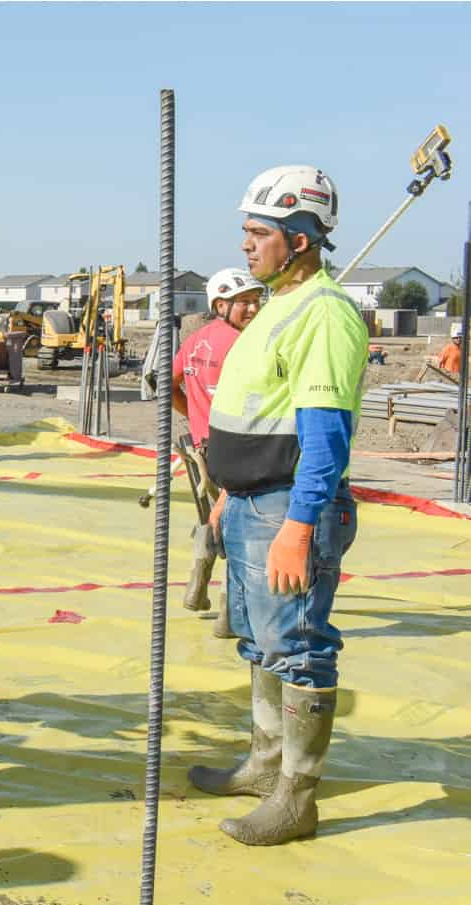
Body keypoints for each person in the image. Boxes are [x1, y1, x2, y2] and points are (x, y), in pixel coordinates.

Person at [195, 164, 367, 846]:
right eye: (244, 231)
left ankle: (295, 797)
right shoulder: (279, 307)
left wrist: (298, 524)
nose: (244, 245)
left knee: (296, 649)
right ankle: (264, 766)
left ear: (298, 240)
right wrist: (223, 498)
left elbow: (323, 435)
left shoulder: (322, 313)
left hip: (284, 507)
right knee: (260, 644)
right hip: (248, 503)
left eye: (257, 233)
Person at [172, 267, 264, 638]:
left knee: (218, 512)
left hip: (204, 444)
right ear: (220, 304)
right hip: (239, 443)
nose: (254, 309)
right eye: (244, 303)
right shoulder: (247, 343)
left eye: (257, 301)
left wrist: (192, 417)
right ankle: (229, 616)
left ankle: (200, 575)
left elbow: (168, 383)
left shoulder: (196, 340)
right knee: (243, 526)